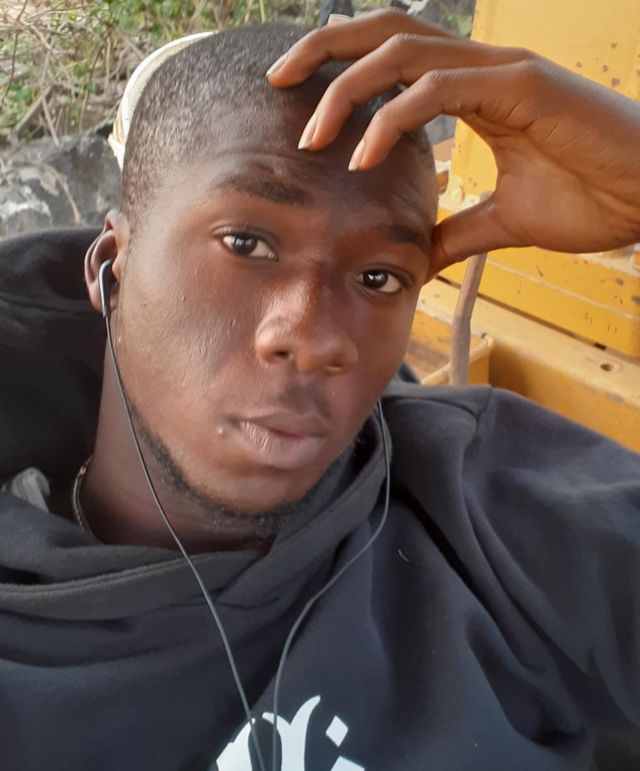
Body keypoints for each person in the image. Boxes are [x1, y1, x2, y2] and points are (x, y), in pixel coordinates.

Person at [0, 11, 638, 771]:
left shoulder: (493, 504)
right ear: (112, 265)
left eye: (379, 277)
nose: (314, 335)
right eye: (247, 243)